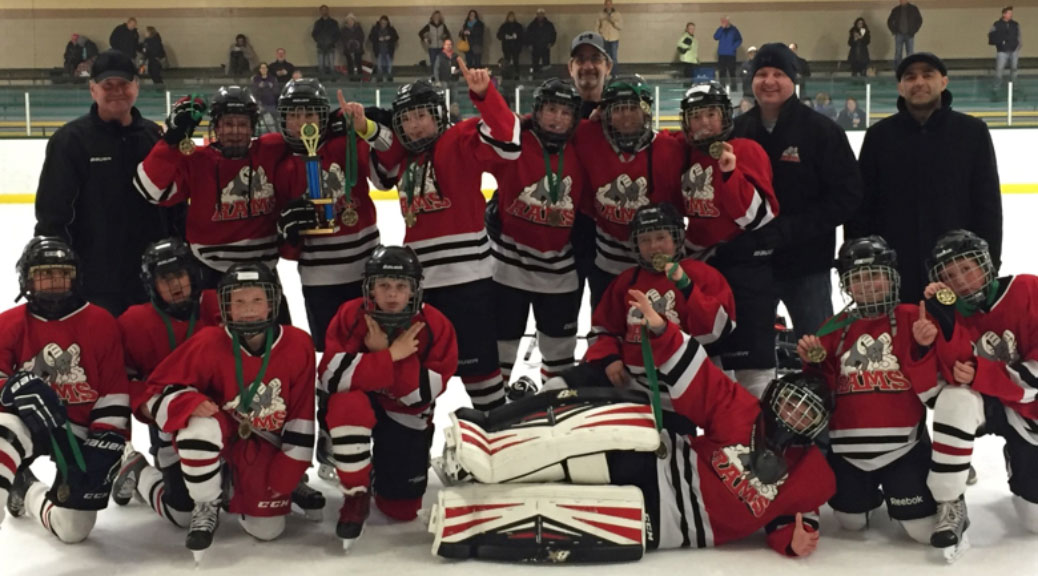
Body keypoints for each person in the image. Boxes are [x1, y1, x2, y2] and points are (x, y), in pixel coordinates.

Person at [432, 365, 835, 560]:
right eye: (790, 404)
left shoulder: (811, 474)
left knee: (558, 506)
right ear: (774, 396)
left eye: (805, 414)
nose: (792, 417)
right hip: (658, 462)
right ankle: (481, 449)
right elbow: (702, 378)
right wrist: (662, 331)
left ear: (816, 427)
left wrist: (791, 541)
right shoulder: (742, 410)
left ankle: (472, 521)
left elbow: (794, 515)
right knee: (585, 443)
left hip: (666, 522)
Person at [369, 60, 520, 410]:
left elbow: (509, 141)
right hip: (419, 286)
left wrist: (484, 94)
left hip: (469, 283)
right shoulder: (404, 157)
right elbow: (380, 177)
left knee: (481, 373)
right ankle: (413, 450)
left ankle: (495, 439)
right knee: (421, 374)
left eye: (421, 115)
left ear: (438, 114)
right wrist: (371, 129)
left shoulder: (460, 138)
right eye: (406, 118)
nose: (414, 125)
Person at [140, 262, 316, 560]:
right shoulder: (210, 341)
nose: (248, 310)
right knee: (196, 430)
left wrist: (291, 469)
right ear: (227, 307)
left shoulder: (298, 343)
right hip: (225, 437)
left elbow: (302, 412)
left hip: (264, 444)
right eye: (239, 301)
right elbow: (153, 392)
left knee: (267, 530)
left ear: (273, 303)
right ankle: (200, 500)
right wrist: (189, 402)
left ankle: (239, 484)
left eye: (257, 300)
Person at [796, 236, 939, 544]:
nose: (867, 284)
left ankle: (938, 493)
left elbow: (931, 389)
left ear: (891, 277)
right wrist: (814, 364)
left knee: (922, 532)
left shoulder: (913, 317)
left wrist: (925, 348)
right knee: (851, 524)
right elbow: (826, 392)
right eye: (857, 278)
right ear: (846, 284)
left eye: (874, 275)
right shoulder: (834, 327)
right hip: (848, 452)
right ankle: (870, 492)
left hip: (904, 448)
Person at [319, 246, 457, 549]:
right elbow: (331, 378)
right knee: (345, 403)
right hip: (359, 407)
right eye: (384, 286)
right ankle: (355, 492)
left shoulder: (436, 325)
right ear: (370, 287)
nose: (392, 295)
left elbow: (419, 397)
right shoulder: (350, 314)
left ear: (414, 290)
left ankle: (379, 469)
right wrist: (392, 355)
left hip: (405, 415)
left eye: (400, 286)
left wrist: (379, 356)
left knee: (401, 510)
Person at [0, 237, 130, 543]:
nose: (54, 282)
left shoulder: (101, 322)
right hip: (25, 425)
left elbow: (112, 390)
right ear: (27, 279)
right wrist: (12, 387)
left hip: (77, 431)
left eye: (62, 273)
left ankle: (27, 491)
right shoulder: (8, 324)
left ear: (76, 276)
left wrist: (107, 438)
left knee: (73, 530)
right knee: (3, 432)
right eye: (44, 274)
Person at [919, 230, 1038, 559]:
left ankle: (1018, 452)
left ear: (986, 264)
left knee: (1034, 522)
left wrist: (983, 374)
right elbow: (944, 385)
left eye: (966, 268)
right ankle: (949, 500)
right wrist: (943, 323)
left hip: (1030, 411)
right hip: (988, 402)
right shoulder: (947, 309)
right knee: (953, 399)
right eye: (949, 275)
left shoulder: (1029, 288)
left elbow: (1035, 378)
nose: (960, 281)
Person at [731, 43, 863, 340]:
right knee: (752, 358)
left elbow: (847, 196)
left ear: (793, 79)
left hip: (807, 266)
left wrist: (793, 229)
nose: (769, 81)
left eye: (778, 73)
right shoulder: (736, 130)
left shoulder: (822, 131)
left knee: (819, 351)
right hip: (751, 267)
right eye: (762, 73)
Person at [36, 50, 181, 318]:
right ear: (93, 89)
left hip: (153, 278)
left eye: (124, 84)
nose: (117, 92)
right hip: (95, 282)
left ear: (136, 86)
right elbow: (52, 215)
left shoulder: (155, 137)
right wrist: (58, 271)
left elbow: (174, 206)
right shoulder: (70, 141)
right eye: (107, 86)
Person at [847, 52, 1002, 304]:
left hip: (958, 268)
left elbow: (987, 203)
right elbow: (862, 206)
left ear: (943, 82)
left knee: (957, 342)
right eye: (910, 77)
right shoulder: (879, 136)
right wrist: (859, 268)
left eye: (927, 74)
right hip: (895, 270)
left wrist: (989, 260)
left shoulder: (971, 132)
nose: (919, 82)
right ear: (901, 87)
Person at [674, 81, 779, 397]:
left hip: (747, 271)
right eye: (696, 116)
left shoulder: (747, 150)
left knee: (753, 370)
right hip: (704, 270)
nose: (704, 123)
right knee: (712, 365)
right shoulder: (687, 153)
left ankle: (757, 440)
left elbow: (757, 218)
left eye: (711, 114)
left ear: (725, 117)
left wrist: (730, 174)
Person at [273, 78, 393, 352]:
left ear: (324, 116)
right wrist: (287, 232)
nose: (302, 122)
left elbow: (385, 177)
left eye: (310, 114)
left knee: (375, 349)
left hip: (367, 272)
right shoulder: (280, 166)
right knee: (332, 355)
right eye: (294, 115)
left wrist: (365, 127)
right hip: (319, 282)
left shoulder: (346, 143)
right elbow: (287, 248)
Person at [134, 86, 291, 295]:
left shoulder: (271, 149)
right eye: (227, 124)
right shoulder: (196, 160)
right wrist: (170, 140)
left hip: (264, 271)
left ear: (253, 127)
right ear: (216, 126)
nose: (235, 131)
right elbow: (150, 190)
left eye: (243, 124)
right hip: (209, 272)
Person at [577, 202, 736, 406]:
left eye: (661, 237)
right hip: (632, 389)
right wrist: (609, 358)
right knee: (563, 384)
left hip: (681, 394)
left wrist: (686, 287)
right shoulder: (626, 281)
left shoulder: (703, 275)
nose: (654, 247)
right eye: (645, 240)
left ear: (677, 238)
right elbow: (602, 329)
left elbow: (718, 330)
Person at [109, 237, 220, 518]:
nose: (175, 285)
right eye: (164, 279)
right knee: (182, 512)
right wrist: (146, 404)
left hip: (220, 416)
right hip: (167, 425)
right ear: (152, 286)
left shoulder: (218, 306)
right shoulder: (133, 322)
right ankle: (137, 469)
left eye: (180, 275)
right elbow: (121, 380)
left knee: (229, 497)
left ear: (193, 275)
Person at [484, 78, 585, 386]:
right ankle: (495, 411)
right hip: (507, 268)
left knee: (560, 356)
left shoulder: (582, 147)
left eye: (565, 113)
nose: (557, 119)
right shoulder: (516, 139)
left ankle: (553, 407)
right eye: (551, 110)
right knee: (500, 349)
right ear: (537, 112)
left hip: (560, 273)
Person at [574, 76, 684, 309]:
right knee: (606, 331)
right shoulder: (587, 137)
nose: (626, 117)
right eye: (618, 110)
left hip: (658, 262)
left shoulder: (671, 150)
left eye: (633, 109)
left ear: (646, 111)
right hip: (606, 265)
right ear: (605, 114)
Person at [989, 6, 1021, 91]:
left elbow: (1018, 36)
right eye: (1009, 13)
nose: (1011, 15)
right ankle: (996, 88)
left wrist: (1018, 46)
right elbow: (991, 36)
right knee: (999, 71)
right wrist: (1000, 42)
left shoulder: (1015, 24)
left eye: (1011, 13)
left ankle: (1015, 88)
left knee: (1014, 70)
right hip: (1002, 51)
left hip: (1014, 51)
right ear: (1004, 14)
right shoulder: (997, 24)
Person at [887, 0, 923, 69]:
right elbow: (889, 21)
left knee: (910, 53)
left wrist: (914, 30)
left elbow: (919, 20)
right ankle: (898, 69)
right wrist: (894, 31)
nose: (901, 1)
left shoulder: (913, 9)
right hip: (899, 34)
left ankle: (910, 68)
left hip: (910, 34)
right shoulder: (896, 10)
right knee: (898, 53)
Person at [713, 16, 742, 86]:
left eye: (725, 21)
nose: (723, 23)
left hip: (731, 54)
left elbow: (739, 40)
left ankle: (734, 87)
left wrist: (733, 47)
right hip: (722, 54)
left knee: (732, 71)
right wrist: (721, 28)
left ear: (728, 21)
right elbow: (715, 37)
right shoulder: (721, 29)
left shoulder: (734, 30)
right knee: (722, 71)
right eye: (722, 21)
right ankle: (722, 87)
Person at [526, 9, 557, 75]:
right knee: (535, 62)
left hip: (545, 46)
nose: (540, 16)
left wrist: (551, 43)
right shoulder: (532, 25)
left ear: (544, 15)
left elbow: (553, 34)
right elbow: (528, 35)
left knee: (546, 63)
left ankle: (546, 76)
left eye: (542, 14)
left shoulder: (549, 25)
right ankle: (534, 75)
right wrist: (529, 44)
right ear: (537, 15)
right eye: (539, 14)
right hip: (535, 46)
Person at [313, 5, 340, 77]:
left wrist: (332, 41)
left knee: (331, 65)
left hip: (331, 45)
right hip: (320, 46)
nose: (324, 11)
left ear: (328, 11)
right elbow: (314, 34)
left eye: (325, 10)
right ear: (320, 12)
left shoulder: (334, 22)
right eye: (322, 10)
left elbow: (337, 34)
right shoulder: (317, 23)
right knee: (321, 65)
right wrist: (318, 40)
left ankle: (332, 78)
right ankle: (322, 79)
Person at [369, 16, 398, 83]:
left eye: (385, 23)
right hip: (379, 50)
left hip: (388, 50)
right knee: (379, 66)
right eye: (382, 23)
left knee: (389, 66)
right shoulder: (375, 29)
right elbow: (371, 38)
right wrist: (378, 39)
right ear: (379, 22)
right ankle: (380, 79)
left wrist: (390, 38)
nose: (383, 24)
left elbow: (396, 37)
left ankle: (389, 79)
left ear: (387, 23)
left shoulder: (391, 29)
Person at [252, 63, 280, 133]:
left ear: (267, 69)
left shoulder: (273, 79)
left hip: (271, 104)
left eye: (265, 68)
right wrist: (261, 87)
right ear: (259, 70)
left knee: (274, 123)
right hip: (260, 104)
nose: (263, 69)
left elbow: (276, 91)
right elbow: (254, 92)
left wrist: (269, 87)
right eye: (262, 68)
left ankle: (275, 135)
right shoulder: (256, 79)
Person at [497, 11, 524, 80]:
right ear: (507, 17)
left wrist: (517, 36)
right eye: (510, 17)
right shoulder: (504, 26)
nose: (511, 18)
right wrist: (505, 36)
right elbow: (499, 35)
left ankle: (517, 74)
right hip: (507, 46)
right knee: (507, 61)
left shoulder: (518, 26)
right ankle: (506, 74)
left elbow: (523, 35)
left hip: (516, 46)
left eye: (512, 17)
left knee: (516, 60)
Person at [597, 0, 623, 66]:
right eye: (607, 4)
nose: (608, 6)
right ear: (604, 5)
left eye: (609, 4)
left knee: (614, 57)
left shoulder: (617, 14)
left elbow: (620, 27)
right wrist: (598, 36)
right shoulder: (600, 14)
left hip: (614, 39)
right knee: (605, 57)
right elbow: (597, 26)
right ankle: (606, 73)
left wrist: (612, 21)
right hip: (604, 38)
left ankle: (614, 74)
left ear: (612, 5)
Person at [341, 13, 365, 81]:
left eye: (351, 20)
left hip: (358, 50)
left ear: (354, 21)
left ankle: (360, 78)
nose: (350, 22)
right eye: (348, 20)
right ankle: (351, 79)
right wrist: (349, 43)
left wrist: (357, 42)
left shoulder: (359, 28)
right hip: (348, 50)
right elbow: (343, 39)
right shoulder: (344, 29)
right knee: (350, 65)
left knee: (358, 64)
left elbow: (362, 37)